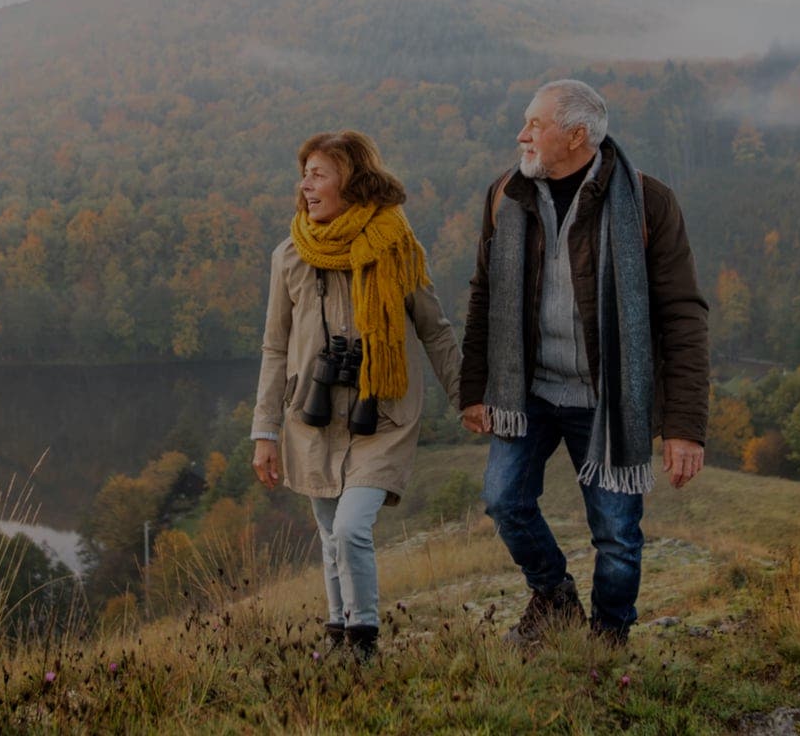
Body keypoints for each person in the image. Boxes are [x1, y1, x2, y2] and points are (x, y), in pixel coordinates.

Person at [458, 79, 709, 647]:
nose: (521, 135)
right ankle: (554, 597)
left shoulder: (648, 203)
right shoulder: (506, 195)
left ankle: (609, 639)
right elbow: (484, 295)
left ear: (576, 137)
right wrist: (474, 389)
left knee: (616, 533)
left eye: (535, 125)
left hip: (607, 397)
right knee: (504, 500)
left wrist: (685, 427)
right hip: (529, 390)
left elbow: (683, 316)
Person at [252, 130, 461, 659]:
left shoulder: (397, 248)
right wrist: (265, 431)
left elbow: (435, 330)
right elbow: (275, 348)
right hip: (312, 415)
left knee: (349, 529)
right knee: (329, 534)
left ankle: (363, 639)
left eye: (318, 175)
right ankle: (338, 633)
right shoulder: (289, 256)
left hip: (381, 415)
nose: (305, 186)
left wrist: (467, 398)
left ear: (351, 181)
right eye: (304, 175)